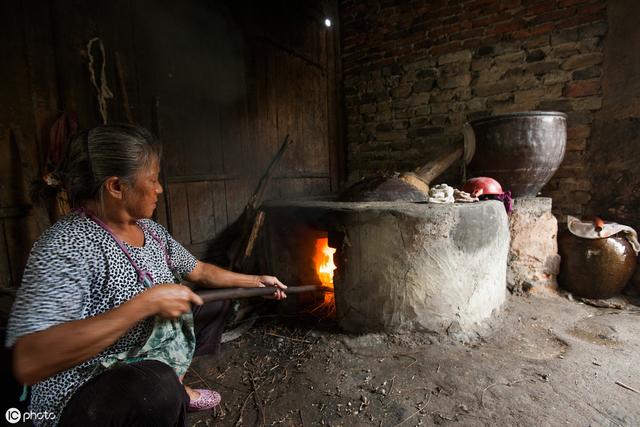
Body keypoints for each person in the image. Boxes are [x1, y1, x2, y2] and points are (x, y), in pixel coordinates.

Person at [5, 123, 287, 426]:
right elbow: (29, 360)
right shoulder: (68, 245)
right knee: (157, 388)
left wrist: (256, 281)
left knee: (214, 305)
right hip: (83, 385)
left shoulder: (150, 231)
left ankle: (176, 385)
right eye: (153, 179)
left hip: (139, 349)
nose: (159, 188)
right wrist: (144, 304)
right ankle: (169, 389)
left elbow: (200, 270)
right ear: (116, 186)